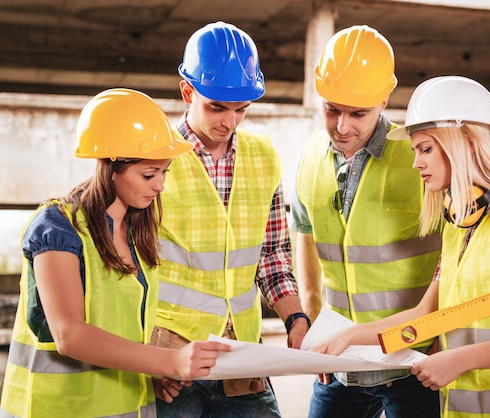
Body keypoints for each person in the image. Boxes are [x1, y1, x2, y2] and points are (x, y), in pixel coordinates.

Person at [313, 75, 490, 416]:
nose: (416, 162)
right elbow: (425, 314)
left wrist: (458, 360)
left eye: (426, 149)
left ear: (466, 144)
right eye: (416, 150)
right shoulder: (458, 225)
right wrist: (350, 336)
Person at [0, 88, 233, 418]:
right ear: (110, 167)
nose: (160, 185)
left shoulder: (138, 229)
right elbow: (71, 336)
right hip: (57, 410)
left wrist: (146, 373)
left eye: (164, 171)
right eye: (149, 174)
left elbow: (122, 333)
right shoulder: (58, 226)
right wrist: (170, 360)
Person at [151, 21, 309, 417]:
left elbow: (272, 257)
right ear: (188, 92)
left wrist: (296, 317)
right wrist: (147, 358)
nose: (230, 121)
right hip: (170, 357)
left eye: (242, 109)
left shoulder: (264, 156)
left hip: (240, 356)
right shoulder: (153, 158)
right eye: (217, 107)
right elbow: (125, 270)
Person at [289, 25, 442, 418]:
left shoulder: (419, 158)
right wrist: (315, 326)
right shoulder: (309, 156)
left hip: (414, 361)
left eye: (358, 113)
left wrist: (444, 338)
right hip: (340, 365)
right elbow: (304, 238)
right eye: (332, 109)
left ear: (384, 99)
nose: (342, 126)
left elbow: (455, 254)